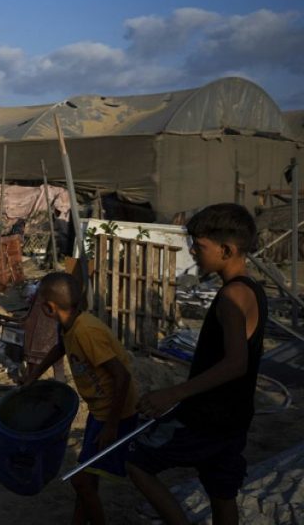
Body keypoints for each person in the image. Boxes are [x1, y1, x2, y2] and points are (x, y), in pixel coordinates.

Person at [127, 203, 267, 525]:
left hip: (208, 418)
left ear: (227, 249)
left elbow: (235, 364)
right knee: (221, 493)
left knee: (138, 463)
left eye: (200, 246)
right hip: (234, 416)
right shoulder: (252, 291)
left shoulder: (232, 298)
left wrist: (173, 393)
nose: (192, 251)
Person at [23, 272, 139, 525]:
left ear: (48, 307)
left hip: (116, 414)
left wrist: (112, 424)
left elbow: (122, 377)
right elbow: (60, 348)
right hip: (100, 412)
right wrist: (33, 376)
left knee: (81, 480)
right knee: (87, 480)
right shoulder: (68, 324)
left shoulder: (87, 331)